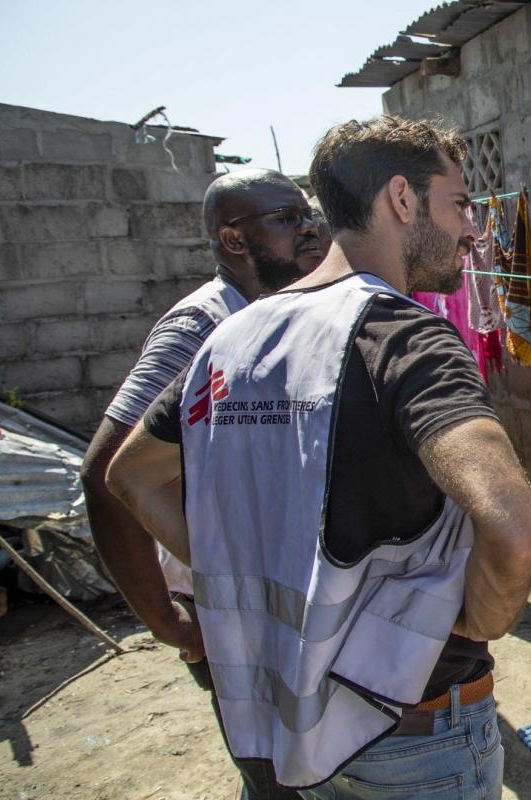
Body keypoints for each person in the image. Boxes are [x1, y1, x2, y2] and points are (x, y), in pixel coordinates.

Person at [106, 115, 531, 798]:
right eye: (459, 204)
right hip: (416, 726)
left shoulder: (237, 337)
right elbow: (515, 532)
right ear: (402, 200)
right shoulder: (406, 338)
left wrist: (239, 564)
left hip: (292, 716)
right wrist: (479, 618)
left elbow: (130, 474)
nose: (473, 230)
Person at [80, 168, 323, 800]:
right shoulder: (200, 329)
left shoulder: (280, 313)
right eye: (287, 217)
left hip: (286, 606)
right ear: (234, 240)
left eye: (307, 214)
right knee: (279, 779)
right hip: (230, 618)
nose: (308, 228)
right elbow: (107, 475)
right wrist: (164, 619)